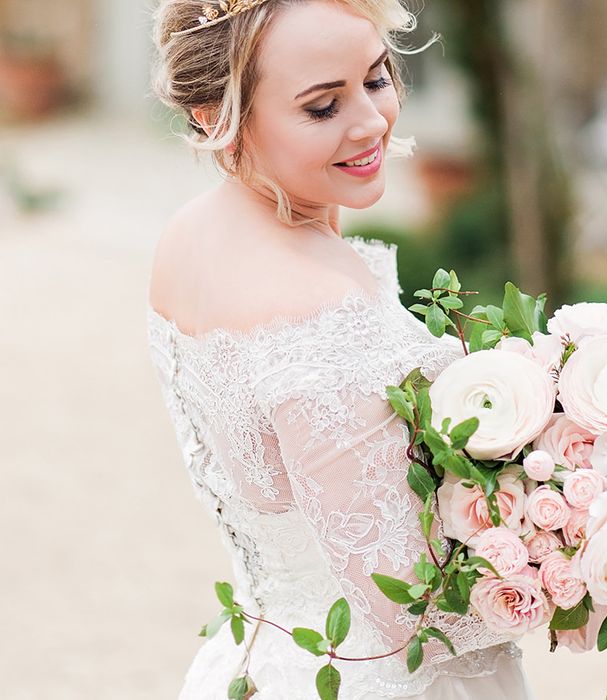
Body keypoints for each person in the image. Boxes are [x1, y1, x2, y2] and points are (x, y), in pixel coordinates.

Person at [146, 1, 535, 697]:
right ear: (214, 115)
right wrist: (590, 537)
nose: (371, 121)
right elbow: (410, 609)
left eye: (377, 77)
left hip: (269, 652)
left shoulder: (192, 233)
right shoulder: (316, 306)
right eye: (323, 107)